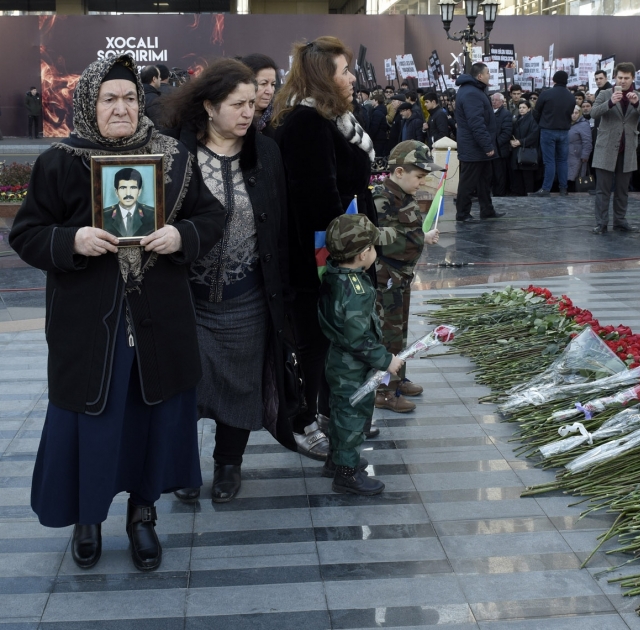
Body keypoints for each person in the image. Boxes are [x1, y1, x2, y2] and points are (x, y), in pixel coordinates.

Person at [9, 54, 224, 572]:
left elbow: (211, 216)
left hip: (159, 321)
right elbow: (26, 234)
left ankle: (142, 517)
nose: (122, 107)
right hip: (88, 327)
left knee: (152, 420)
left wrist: (182, 234)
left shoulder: (171, 155)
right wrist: (72, 240)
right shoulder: (60, 160)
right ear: (90, 104)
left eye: (130, 97)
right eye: (110, 98)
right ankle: (88, 519)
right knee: (91, 423)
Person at [158, 58, 291, 504]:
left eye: (253, 103)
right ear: (210, 106)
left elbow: (281, 225)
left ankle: (229, 464)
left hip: (247, 297)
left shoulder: (266, 152)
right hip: (185, 300)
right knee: (182, 391)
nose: (248, 112)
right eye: (238, 104)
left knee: (240, 386)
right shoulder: (177, 154)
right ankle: (182, 469)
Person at [273, 36, 378, 459]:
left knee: (334, 341)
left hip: (342, 250)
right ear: (323, 77)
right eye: (344, 71)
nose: (352, 78)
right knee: (318, 343)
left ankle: (333, 413)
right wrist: (348, 260)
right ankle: (308, 421)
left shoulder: (332, 118)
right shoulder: (307, 123)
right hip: (324, 260)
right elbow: (319, 204)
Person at [319, 213, 403, 495]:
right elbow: (357, 338)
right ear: (362, 254)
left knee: (341, 414)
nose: (376, 251)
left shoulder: (335, 274)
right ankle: (347, 474)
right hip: (352, 367)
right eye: (373, 246)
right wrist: (386, 360)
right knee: (353, 419)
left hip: (340, 364)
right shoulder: (354, 289)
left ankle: (336, 461)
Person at [373, 141, 441, 414]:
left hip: (401, 276)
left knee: (399, 333)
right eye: (419, 176)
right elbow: (379, 237)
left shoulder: (406, 196)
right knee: (387, 335)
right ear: (399, 172)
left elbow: (408, 229)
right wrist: (417, 238)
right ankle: (385, 391)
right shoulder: (382, 198)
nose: (421, 182)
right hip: (385, 277)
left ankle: (397, 378)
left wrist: (420, 237)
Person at [590, 61, 640, 234]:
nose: (623, 81)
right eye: (620, 77)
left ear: (632, 78)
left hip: (628, 150)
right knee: (602, 190)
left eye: (627, 78)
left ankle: (620, 221)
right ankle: (601, 223)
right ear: (615, 78)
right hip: (605, 148)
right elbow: (593, 113)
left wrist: (637, 105)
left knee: (622, 190)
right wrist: (610, 103)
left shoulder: (639, 97)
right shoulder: (605, 93)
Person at [454, 62, 503, 221]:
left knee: (484, 181)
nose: (490, 75)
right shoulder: (472, 93)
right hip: (474, 148)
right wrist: (487, 145)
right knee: (468, 183)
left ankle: (487, 210)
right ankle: (462, 214)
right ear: (480, 76)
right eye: (488, 72)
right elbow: (476, 123)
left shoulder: (473, 90)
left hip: (477, 148)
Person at [530, 70, 577, 197]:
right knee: (562, 161)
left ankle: (546, 189)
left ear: (554, 80)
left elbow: (536, 111)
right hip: (564, 131)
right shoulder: (571, 96)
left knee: (549, 161)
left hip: (548, 130)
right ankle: (563, 189)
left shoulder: (546, 94)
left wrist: (542, 122)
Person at [102, 168, 156, 237]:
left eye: (133, 188)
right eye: (123, 188)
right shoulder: (104, 216)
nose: (128, 193)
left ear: (139, 191)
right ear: (116, 192)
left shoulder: (153, 215)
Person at [239, 53, 278, 136]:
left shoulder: (280, 120)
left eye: (273, 84)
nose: (270, 91)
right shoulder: (232, 119)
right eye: (263, 83)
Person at [509, 99, 541, 196]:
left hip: (527, 152)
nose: (521, 109)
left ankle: (528, 194)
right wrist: (512, 141)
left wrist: (520, 142)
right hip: (518, 151)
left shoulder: (532, 120)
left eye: (524, 108)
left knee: (527, 177)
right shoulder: (517, 119)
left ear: (529, 109)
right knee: (518, 176)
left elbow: (534, 136)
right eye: (520, 108)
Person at [491, 92, 513, 197]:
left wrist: (494, 145)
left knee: (500, 175)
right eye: (493, 100)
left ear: (502, 102)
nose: (494, 102)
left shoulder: (506, 114)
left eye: (496, 100)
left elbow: (506, 133)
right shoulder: (489, 113)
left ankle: (500, 194)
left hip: (500, 150)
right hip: (490, 150)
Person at [566, 105, 591, 191]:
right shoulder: (567, 123)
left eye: (576, 113)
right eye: (572, 113)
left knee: (576, 177)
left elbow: (587, 141)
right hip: (567, 154)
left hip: (577, 155)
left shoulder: (584, 124)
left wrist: (585, 155)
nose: (574, 115)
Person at [368, 90, 390, 156]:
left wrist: (370, 137)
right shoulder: (381, 110)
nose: (371, 101)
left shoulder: (377, 113)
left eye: (373, 100)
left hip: (378, 139)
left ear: (376, 101)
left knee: (378, 156)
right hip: (381, 137)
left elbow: (374, 127)